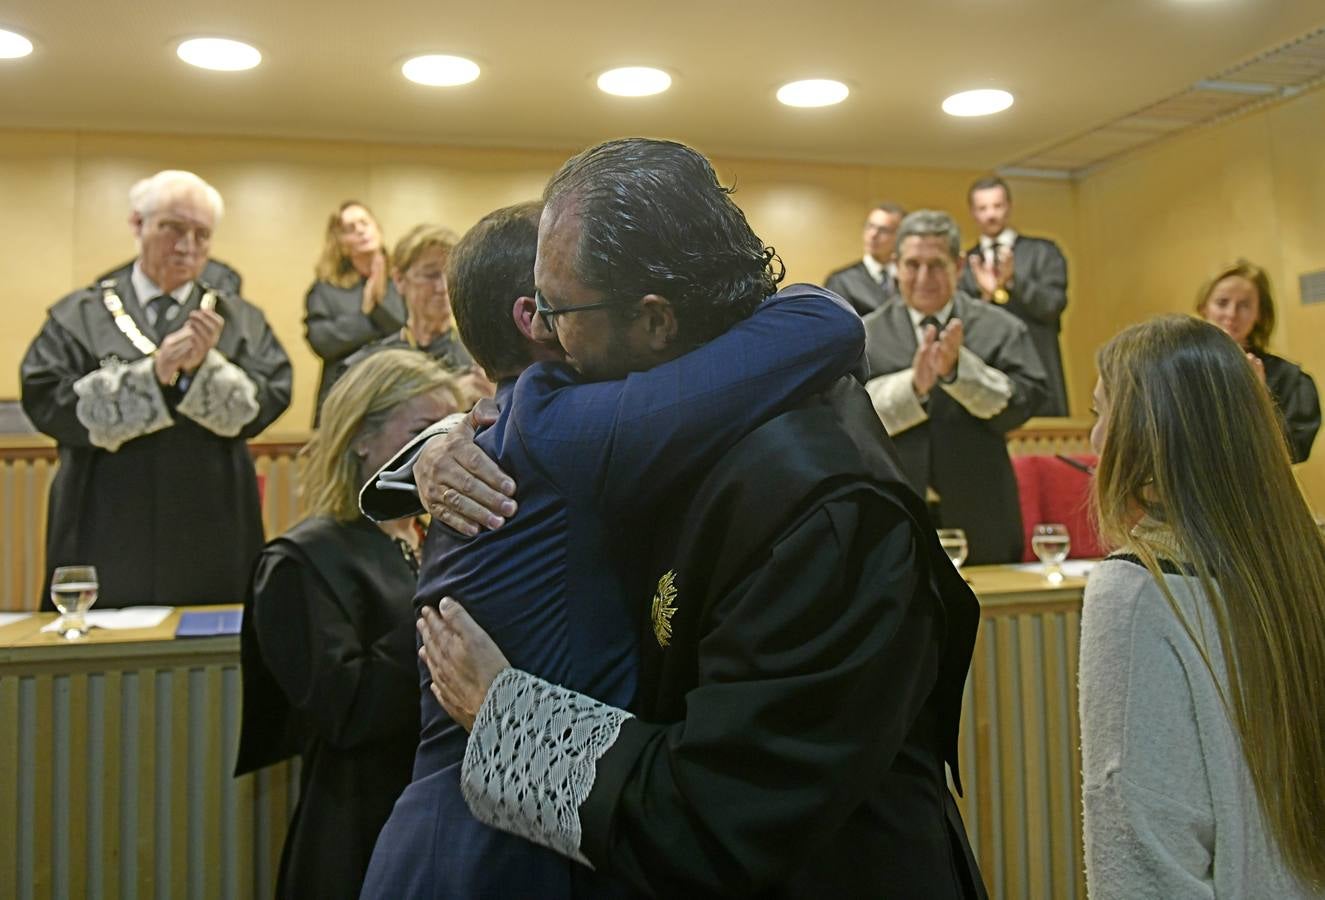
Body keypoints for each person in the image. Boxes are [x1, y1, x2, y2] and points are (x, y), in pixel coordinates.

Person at [405, 140, 985, 898]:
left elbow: (720, 819)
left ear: (653, 321)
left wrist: (506, 714)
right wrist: (436, 446)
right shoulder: (675, 420)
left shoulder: (822, 513)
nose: (542, 335)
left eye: (556, 309)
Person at [1080, 314, 1325, 899]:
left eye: (1099, 414)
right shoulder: (1304, 565)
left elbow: (1137, 845)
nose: (1093, 441)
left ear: (1145, 434)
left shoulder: (1136, 592)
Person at [235, 349, 463, 900]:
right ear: (362, 439)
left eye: (449, 430)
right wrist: (440, 595)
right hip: (358, 825)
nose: (441, 449)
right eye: (421, 431)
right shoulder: (300, 561)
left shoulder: (428, 538)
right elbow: (347, 710)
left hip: (442, 806)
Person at [20, 169, 291, 609]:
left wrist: (206, 370)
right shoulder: (80, 314)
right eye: (173, 228)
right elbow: (45, 397)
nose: (187, 245)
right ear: (137, 224)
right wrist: (153, 374)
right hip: (104, 520)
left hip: (210, 518)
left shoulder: (240, 320)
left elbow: (272, 394)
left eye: (202, 234)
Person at [862, 209, 1046, 564]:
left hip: (983, 511)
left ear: (959, 266)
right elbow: (848, 417)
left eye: (936, 265)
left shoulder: (1002, 328)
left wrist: (957, 373)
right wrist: (913, 387)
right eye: (912, 264)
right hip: (890, 511)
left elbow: (1023, 404)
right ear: (897, 265)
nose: (923, 277)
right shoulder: (865, 335)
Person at [335, 223, 493, 402]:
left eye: (450, 275)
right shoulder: (372, 364)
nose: (442, 287)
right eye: (430, 275)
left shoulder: (479, 359)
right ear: (399, 280)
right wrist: (450, 398)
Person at [957, 176, 1069, 415]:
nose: (991, 215)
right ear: (973, 213)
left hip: (1039, 370)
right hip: (985, 380)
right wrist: (984, 298)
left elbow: (1052, 305)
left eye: (997, 206)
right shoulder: (963, 265)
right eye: (983, 208)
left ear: (1009, 206)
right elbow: (957, 321)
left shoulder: (1042, 252)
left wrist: (1013, 281)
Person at [1197, 259, 1319, 463]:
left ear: (1259, 314)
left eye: (1244, 305)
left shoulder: (1291, 379)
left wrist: (1259, 398)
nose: (1231, 314)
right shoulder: (1175, 369)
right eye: (1222, 303)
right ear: (1204, 308)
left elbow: (1294, 452)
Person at [304, 201, 407, 422]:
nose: (360, 230)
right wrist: (367, 316)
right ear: (340, 243)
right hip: (342, 402)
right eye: (350, 228)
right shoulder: (326, 289)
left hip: (396, 400)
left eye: (365, 223)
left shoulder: (402, 282)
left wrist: (375, 309)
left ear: (378, 230)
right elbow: (322, 340)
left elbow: (408, 333)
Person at [824, 202, 907, 315]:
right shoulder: (841, 281)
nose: (873, 234)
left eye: (883, 230)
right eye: (869, 226)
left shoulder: (910, 277)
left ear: (901, 236)